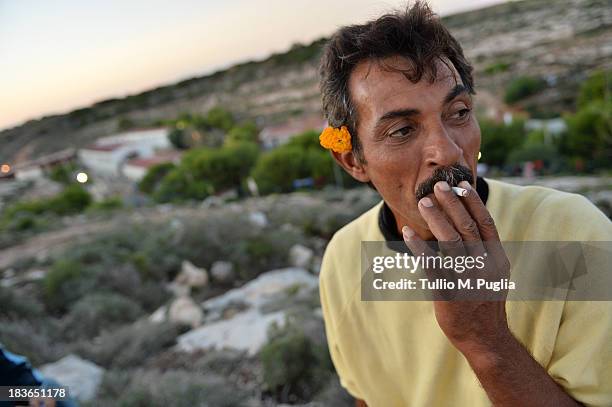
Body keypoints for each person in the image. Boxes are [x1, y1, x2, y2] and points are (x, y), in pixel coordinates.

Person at [317, 2, 612, 406]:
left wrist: (484, 339)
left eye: (458, 112)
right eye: (403, 130)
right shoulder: (345, 258)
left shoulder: (574, 233)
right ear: (353, 161)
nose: (448, 151)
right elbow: (367, 397)